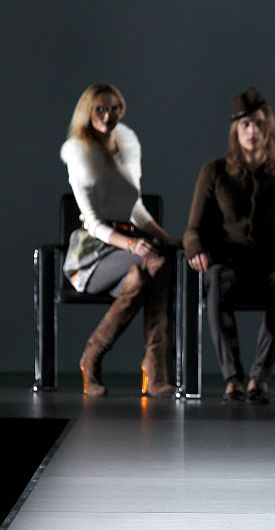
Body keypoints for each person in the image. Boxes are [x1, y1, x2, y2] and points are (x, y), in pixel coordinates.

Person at [183, 87, 275, 404]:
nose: (252, 131)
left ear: (268, 128)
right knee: (216, 279)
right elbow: (192, 229)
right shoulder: (214, 171)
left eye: (259, 123)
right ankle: (232, 379)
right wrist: (195, 248)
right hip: (229, 264)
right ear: (235, 129)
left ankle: (259, 377)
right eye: (245, 124)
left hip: (273, 265)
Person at [61, 82, 176, 397]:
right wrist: (132, 245)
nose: (107, 116)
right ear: (88, 112)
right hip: (90, 254)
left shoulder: (126, 145)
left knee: (142, 276)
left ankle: (103, 360)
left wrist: (166, 237)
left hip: (124, 251)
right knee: (153, 261)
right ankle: (147, 365)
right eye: (100, 109)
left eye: (113, 109)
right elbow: (93, 222)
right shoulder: (79, 151)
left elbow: (134, 208)